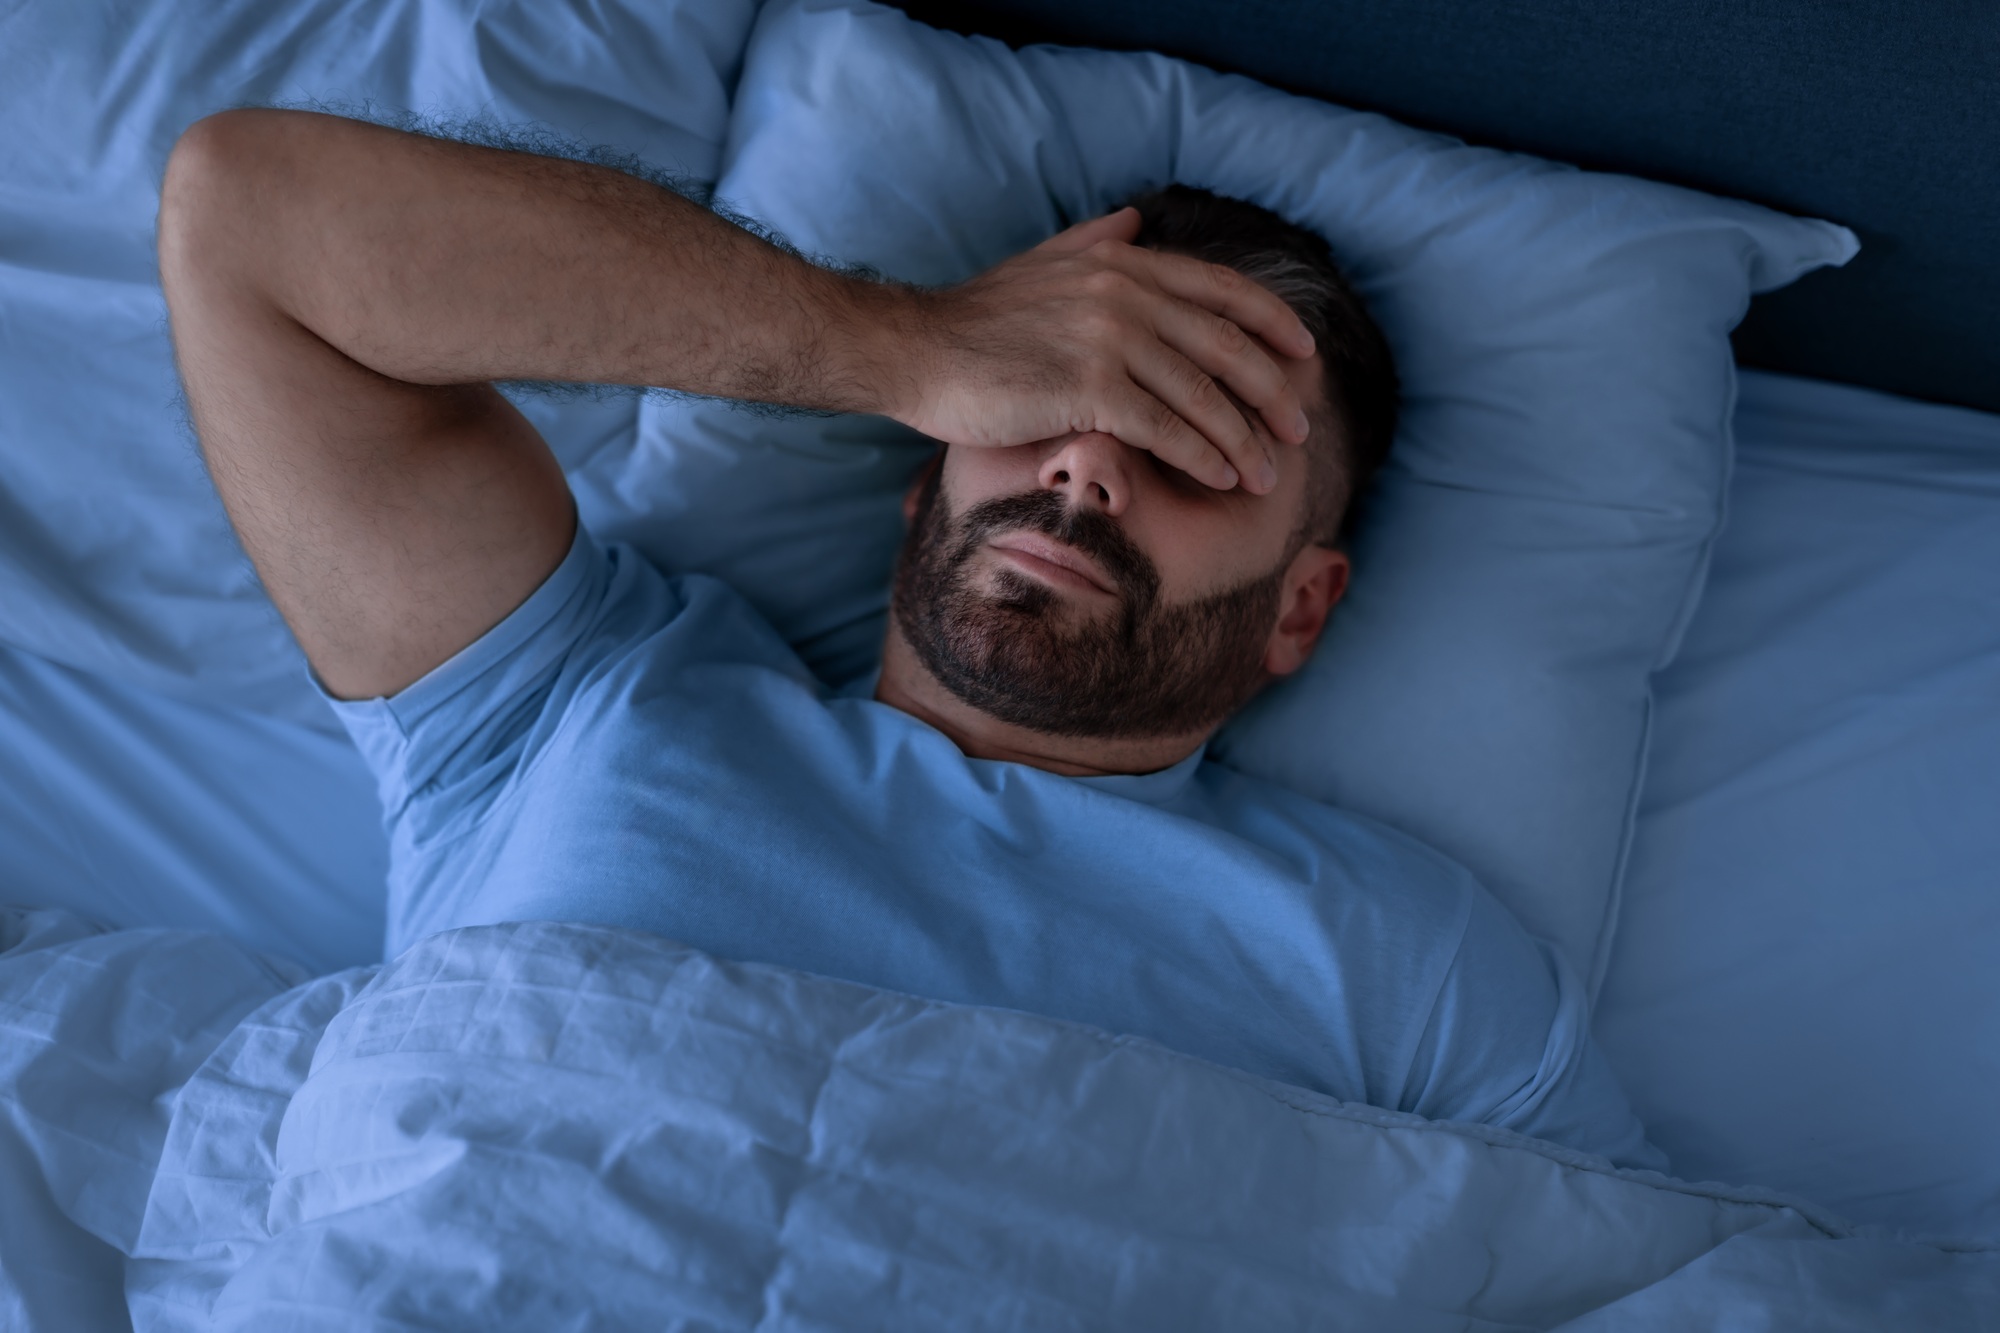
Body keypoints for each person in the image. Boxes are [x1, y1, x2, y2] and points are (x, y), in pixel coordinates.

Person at [158, 109, 1661, 1168]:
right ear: (924, 478)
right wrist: (910, 344)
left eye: (1200, 445)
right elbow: (250, 216)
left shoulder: (1412, 968)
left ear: (1300, 607)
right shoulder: (576, 698)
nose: (1086, 466)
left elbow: (1651, 1280)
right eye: (1037, 409)